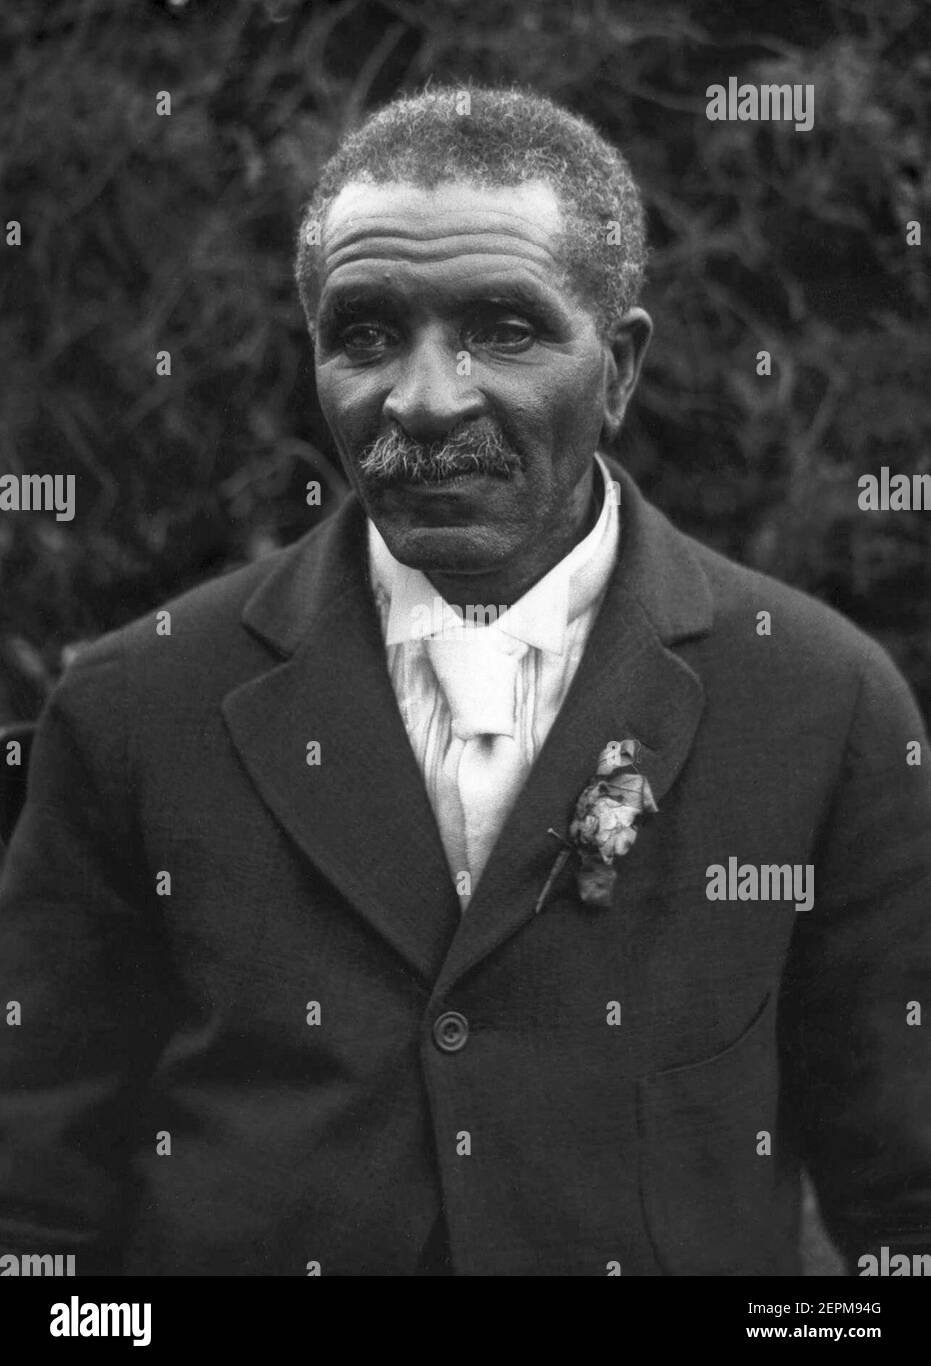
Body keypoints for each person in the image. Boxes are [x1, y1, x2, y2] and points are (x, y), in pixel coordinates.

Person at [0, 85, 928, 1277]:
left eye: (502, 328)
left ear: (621, 368)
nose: (426, 400)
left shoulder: (821, 702)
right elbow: (30, 1212)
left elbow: (905, 1201)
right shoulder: (136, 707)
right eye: (368, 334)